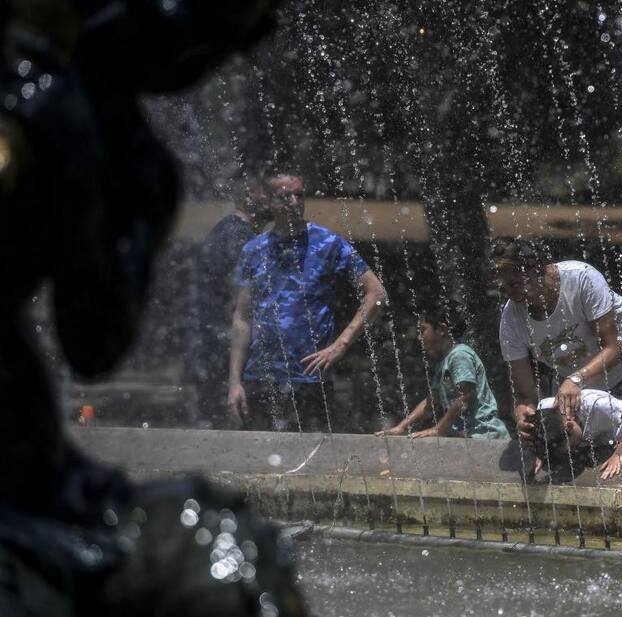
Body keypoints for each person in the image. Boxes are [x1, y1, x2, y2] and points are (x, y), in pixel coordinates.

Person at [228, 174, 387, 432]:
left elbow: (377, 294)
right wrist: (234, 382)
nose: (294, 202)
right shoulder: (253, 250)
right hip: (261, 376)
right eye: (284, 197)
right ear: (268, 201)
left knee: (315, 460)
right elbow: (241, 318)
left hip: (311, 377)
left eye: (299, 195)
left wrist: (340, 345)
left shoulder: (328, 243)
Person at [492, 238, 622, 447]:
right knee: (583, 444)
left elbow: (613, 347)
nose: (512, 295)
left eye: (514, 284)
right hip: (575, 380)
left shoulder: (582, 278)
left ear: (534, 267)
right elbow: (526, 394)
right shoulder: (510, 322)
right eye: (503, 290)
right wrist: (522, 411)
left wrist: (576, 379)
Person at [187, 179, 273, 428]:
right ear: (249, 195)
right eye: (267, 192)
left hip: (214, 345)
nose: (276, 198)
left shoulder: (229, 231)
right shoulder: (238, 235)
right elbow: (243, 298)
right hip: (224, 346)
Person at [375, 302, 509, 439]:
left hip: (487, 435)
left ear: (441, 329)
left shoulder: (459, 355)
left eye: (422, 330)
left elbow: (465, 396)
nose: (419, 337)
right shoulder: (444, 362)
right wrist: (402, 427)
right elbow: (431, 402)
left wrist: (439, 429)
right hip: (472, 436)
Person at [529, 389, 622, 482]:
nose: (571, 450)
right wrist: (542, 451)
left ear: (570, 425)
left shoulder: (597, 405)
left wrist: (620, 453)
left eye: (571, 446)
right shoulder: (544, 408)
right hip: (600, 444)